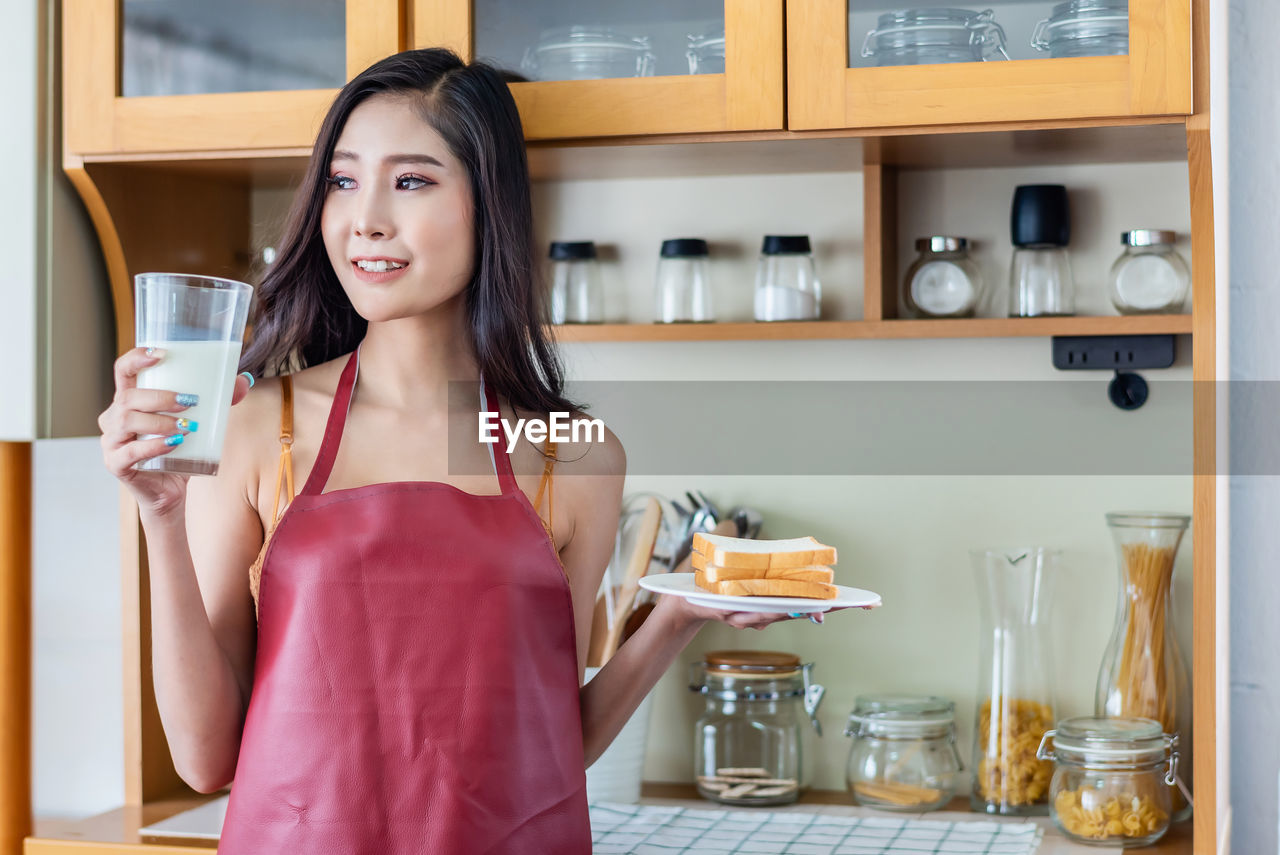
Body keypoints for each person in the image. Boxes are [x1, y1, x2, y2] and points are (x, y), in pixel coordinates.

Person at [98, 48, 809, 854]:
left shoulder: (571, 455)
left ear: (489, 206)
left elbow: (549, 747)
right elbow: (202, 757)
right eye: (342, 180)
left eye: (411, 181)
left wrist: (676, 614)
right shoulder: (265, 426)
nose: (364, 217)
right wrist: (159, 513)